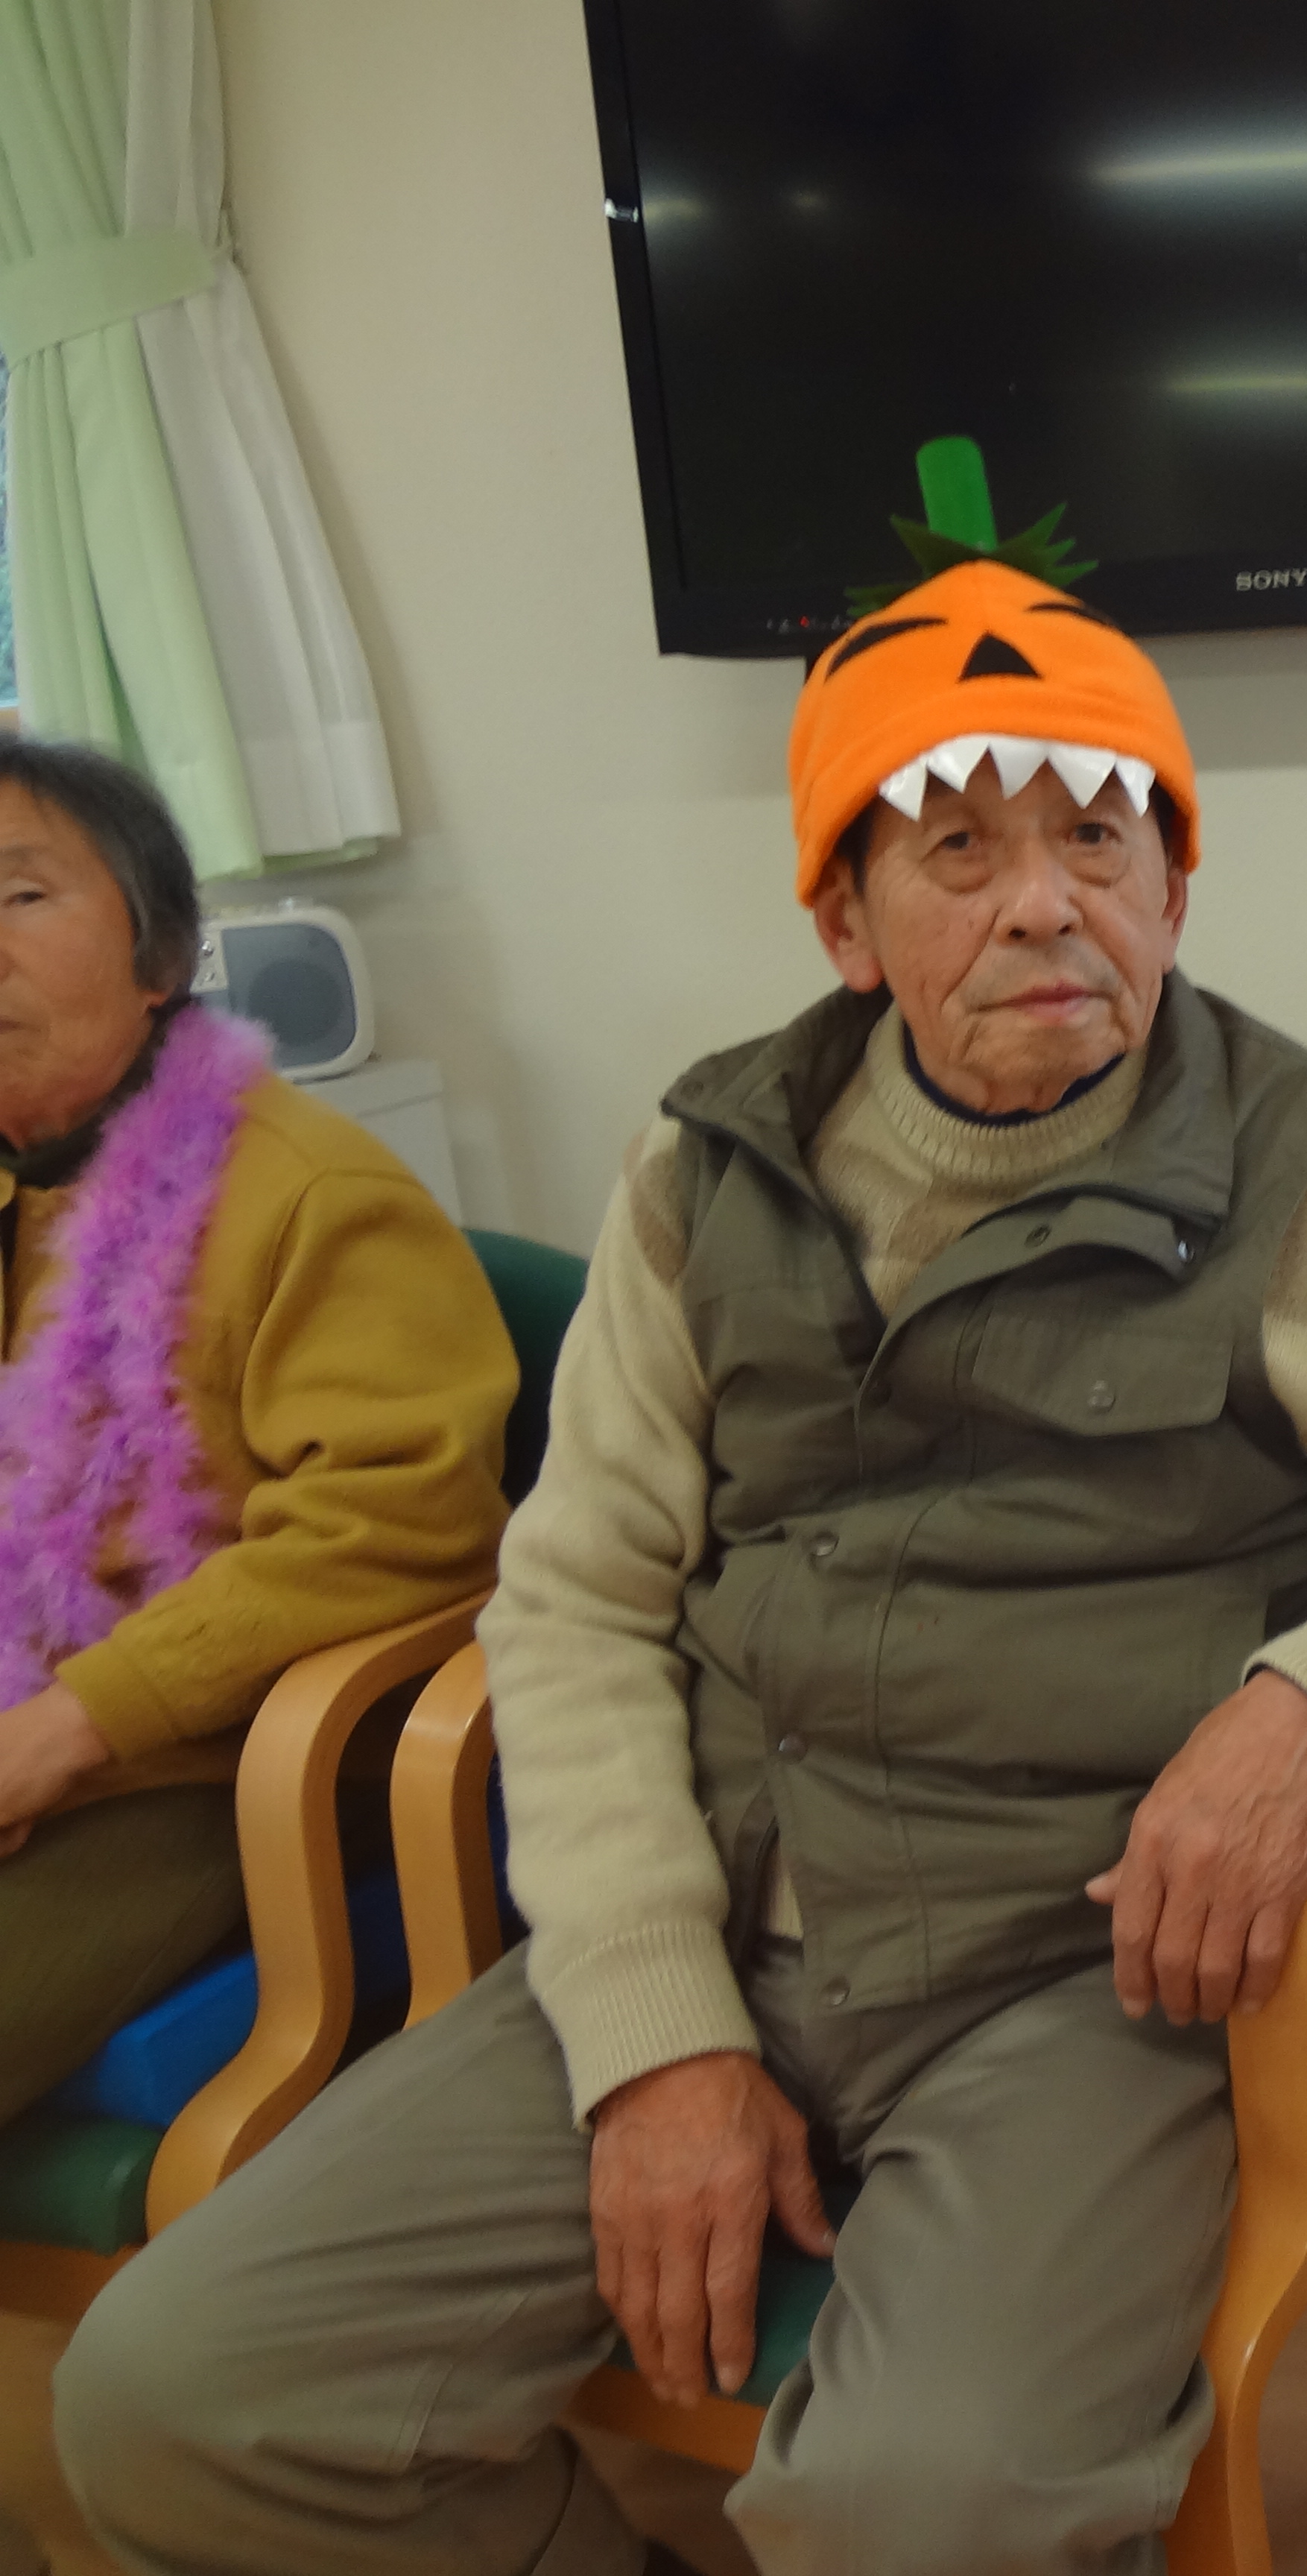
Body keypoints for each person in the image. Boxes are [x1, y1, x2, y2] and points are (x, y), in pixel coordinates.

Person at [58, 560, 1307, 2576]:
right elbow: (576, 1598)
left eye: (1100, 839)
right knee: (172, 2399)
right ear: (843, 919)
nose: (1043, 904)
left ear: (1175, 886)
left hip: (1081, 1965)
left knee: (927, 2513)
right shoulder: (704, 1173)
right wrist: (658, 2031)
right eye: (959, 849)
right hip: (712, 1905)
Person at [0, 737, 513, 2576]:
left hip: (203, 1774)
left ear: (159, 953)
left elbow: (396, 1523)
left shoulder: (303, 1194)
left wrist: (68, 1728)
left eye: (19, 893)